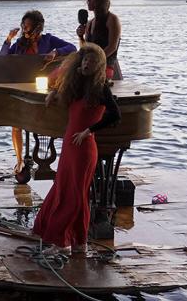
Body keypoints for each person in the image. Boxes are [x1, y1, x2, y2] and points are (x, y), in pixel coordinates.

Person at [32, 44, 121, 255]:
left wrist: (89, 130)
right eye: (84, 60)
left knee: (73, 194)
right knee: (71, 192)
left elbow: (114, 115)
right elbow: (61, 87)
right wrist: (54, 92)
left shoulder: (101, 88)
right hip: (70, 146)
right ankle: (80, 242)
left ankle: (61, 243)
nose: (86, 64)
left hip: (83, 148)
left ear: (99, 65)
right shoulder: (78, 84)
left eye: (91, 61)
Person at [1, 10, 77, 175]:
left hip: (44, 87)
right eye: (23, 26)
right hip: (22, 88)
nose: (24, 29)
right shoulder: (20, 44)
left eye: (27, 26)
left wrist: (55, 52)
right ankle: (20, 160)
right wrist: (8, 39)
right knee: (16, 123)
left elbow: (72, 48)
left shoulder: (48, 40)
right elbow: (3, 57)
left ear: (38, 27)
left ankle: (58, 161)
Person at [77, 0, 122, 80]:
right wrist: (81, 37)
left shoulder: (112, 19)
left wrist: (94, 62)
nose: (88, 0)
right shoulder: (89, 23)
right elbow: (86, 49)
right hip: (88, 65)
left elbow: (112, 47)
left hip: (105, 66)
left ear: (101, 0)